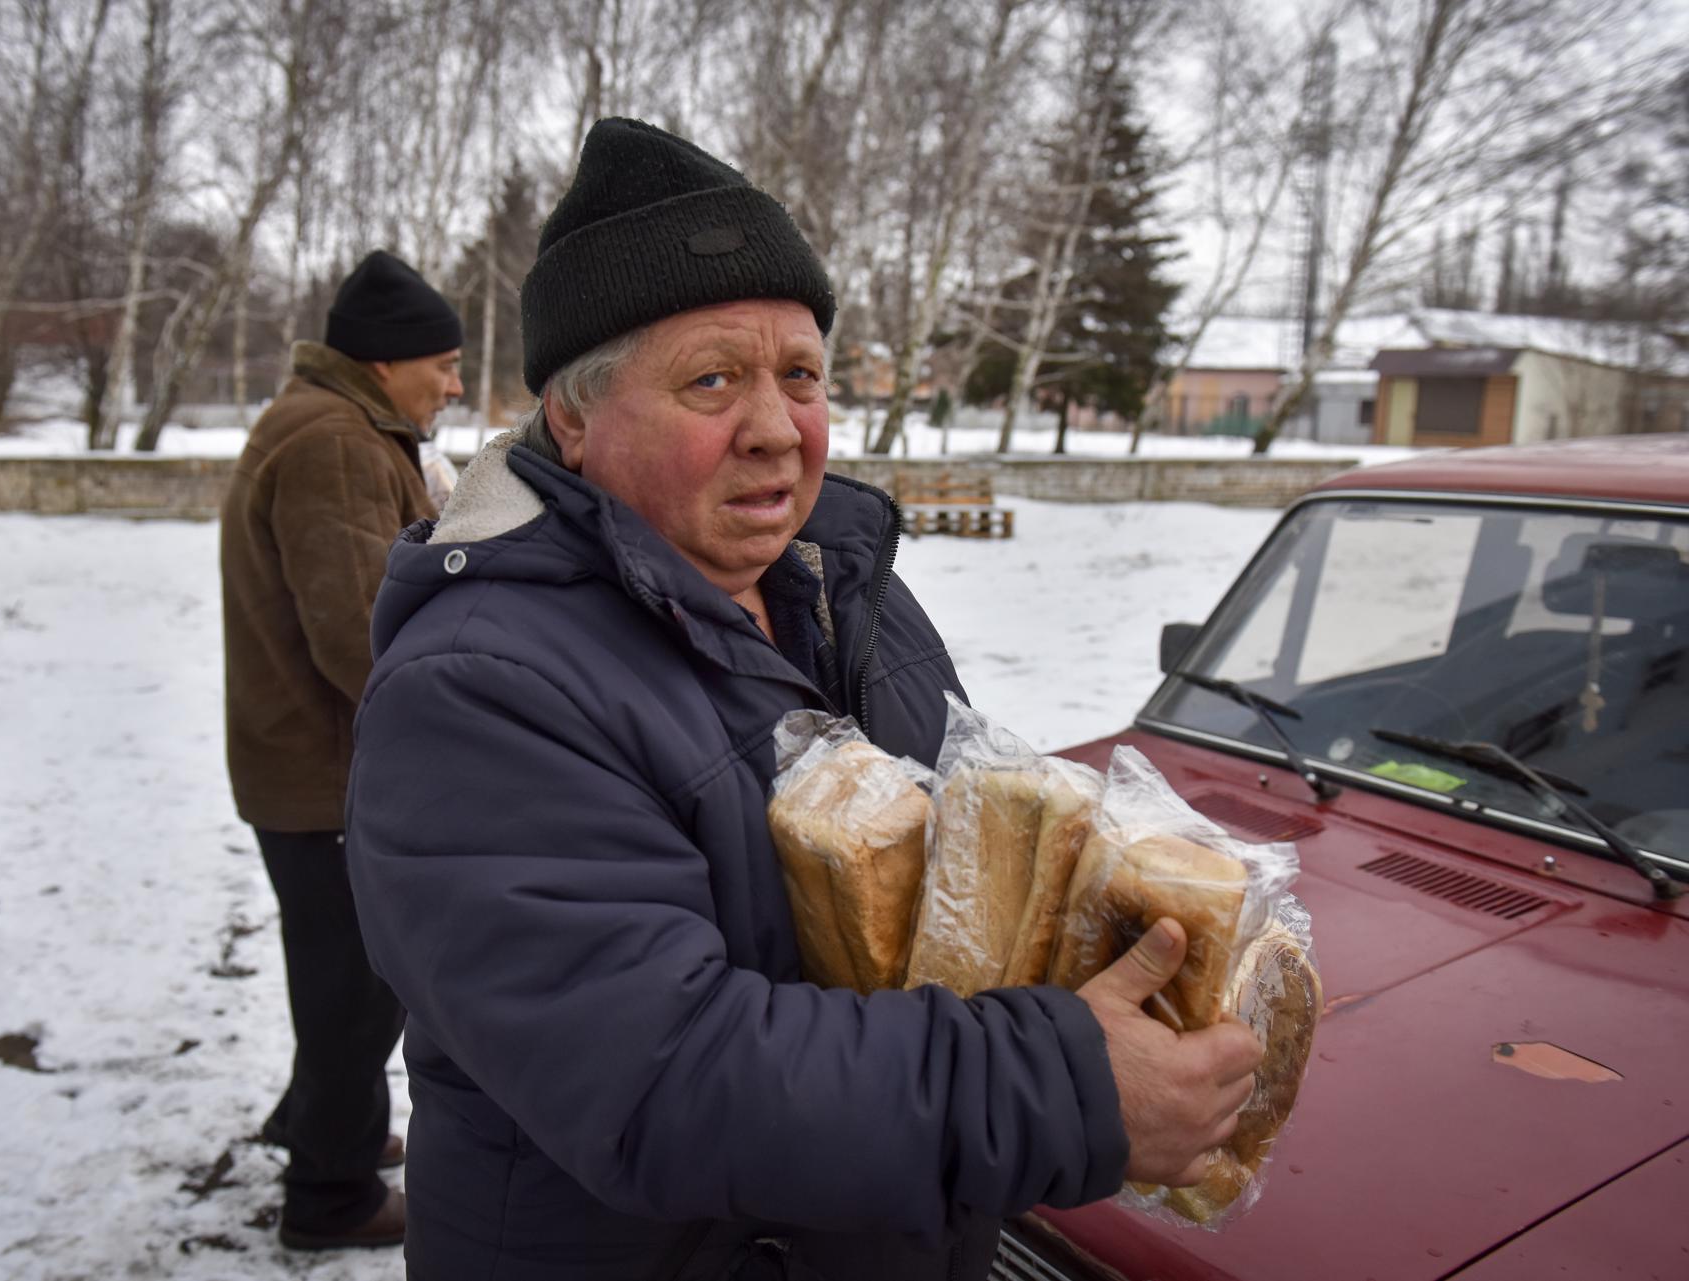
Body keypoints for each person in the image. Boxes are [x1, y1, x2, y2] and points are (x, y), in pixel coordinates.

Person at [346, 120, 1261, 1280]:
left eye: (803, 375)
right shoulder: (478, 688)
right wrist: (1067, 1084)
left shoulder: (846, 586)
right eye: (713, 379)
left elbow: (964, 888)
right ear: (572, 421)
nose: (778, 429)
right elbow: (662, 1080)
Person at [220, 249, 463, 1251]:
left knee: (339, 980)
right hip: (329, 778)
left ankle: (314, 1121)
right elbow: (362, 629)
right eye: (442, 364)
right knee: (356, 996)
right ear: (385, 361)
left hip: (308, 765)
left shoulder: (332, 424)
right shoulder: (335, 442)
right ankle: (331, 1198)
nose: (453, 384)